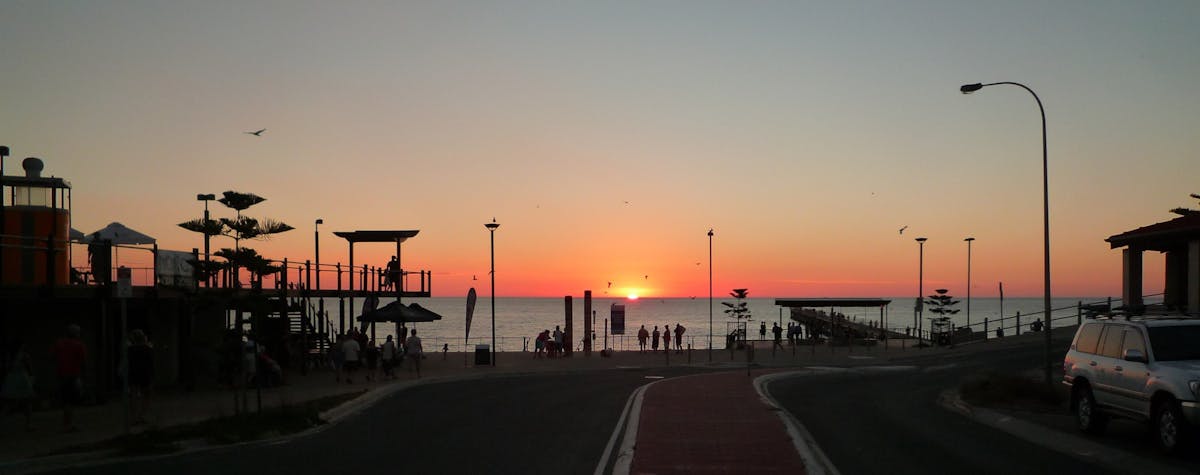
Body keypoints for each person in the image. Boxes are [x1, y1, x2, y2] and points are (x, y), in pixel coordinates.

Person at [51, 324, 86, 432]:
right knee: (70, 401)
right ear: (75, 334)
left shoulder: (59, 343)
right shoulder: (79, 345)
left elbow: (53, 357)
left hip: (62, 375)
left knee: (66, 400)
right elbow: (83, 361)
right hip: (73, 375)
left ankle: (67, 423)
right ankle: (68, 425)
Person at [1, 341, 35, 431]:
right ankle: (29, 424)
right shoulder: (24, 356)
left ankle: (3, 421)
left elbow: (7, 367)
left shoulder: (9, 356)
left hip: (11, 378)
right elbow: (30, 367)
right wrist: (31, 377)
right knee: (27, 402)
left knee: (9, 403)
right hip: (22, 378)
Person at [126, 329, 155, 424]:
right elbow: (151, 363)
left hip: (133, 373)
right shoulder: (147, 348)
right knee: (147, 395)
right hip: (144, 373)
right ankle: (141, 415)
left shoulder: (130, 349)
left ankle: (134, 417)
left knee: (133, 395)